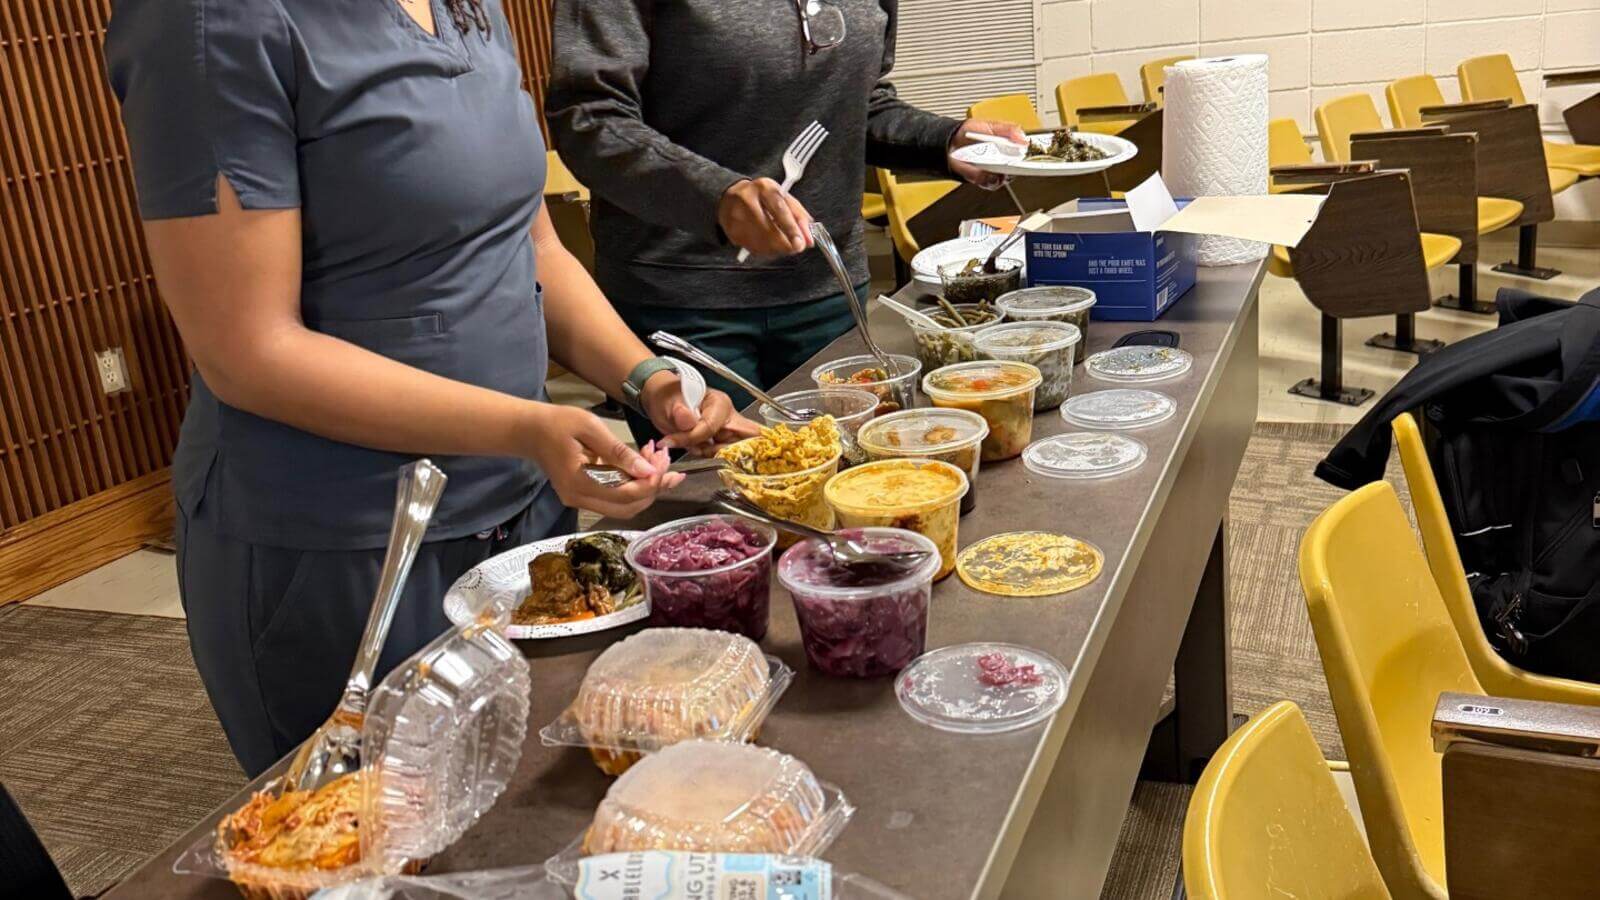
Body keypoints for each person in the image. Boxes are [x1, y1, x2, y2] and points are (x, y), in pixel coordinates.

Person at [105, 0, 754, 776]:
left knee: (532, 802)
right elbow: (248, 351)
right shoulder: (210, 21)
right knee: (376, 845)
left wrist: (646, 378)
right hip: (348, 542)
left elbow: (526, 241)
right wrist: (527, 426)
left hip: (520, 513)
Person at [546, 0, 1025, 438]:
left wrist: (943, 140)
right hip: (685, 302)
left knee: (857, 483)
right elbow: (590, 118)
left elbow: (858, 106)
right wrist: (716, 196)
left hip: (827, 288)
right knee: (727, 516)